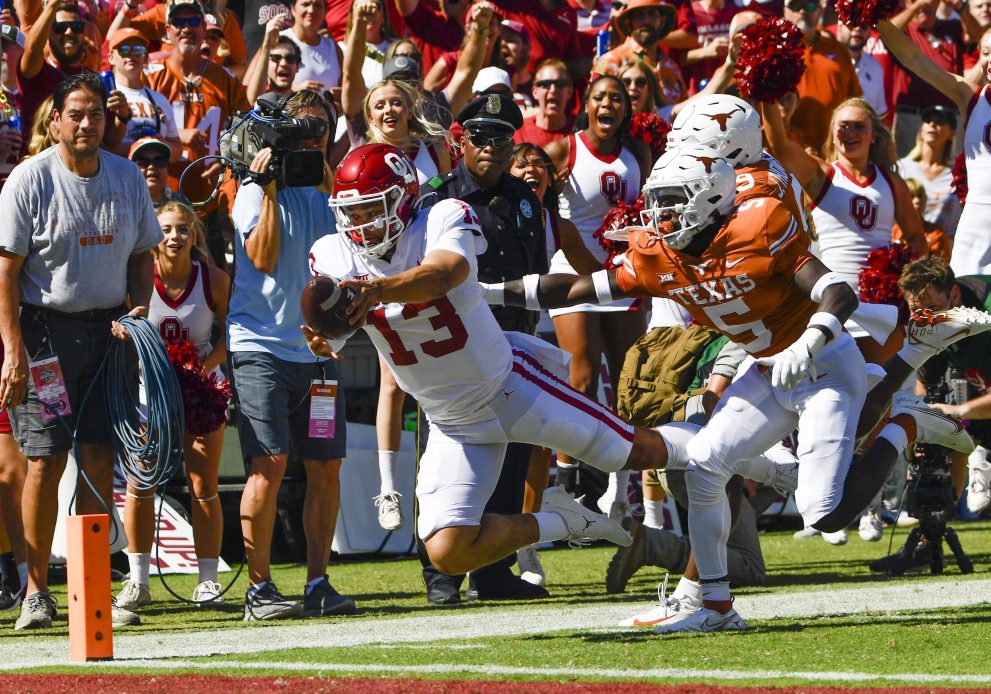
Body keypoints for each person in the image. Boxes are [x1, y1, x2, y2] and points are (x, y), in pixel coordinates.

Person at [488, 144, 991, 632]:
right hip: (768, 366)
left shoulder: (755, 229)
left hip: (824, 362)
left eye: (671, 201)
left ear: (708, 199)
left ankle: (903, 422)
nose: (658, 214)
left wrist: (808, 344)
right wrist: (484, 289)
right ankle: (715, 604)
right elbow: (576, 288)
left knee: (825, 513)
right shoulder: (659, 254)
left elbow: (837, 292)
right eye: (656, 201)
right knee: (706, 462)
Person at [305, 143, 691, 582]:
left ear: (405, 198)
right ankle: (563, 519)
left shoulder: (442, 218)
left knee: (633, 451)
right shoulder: (332, 253)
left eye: (373, 209)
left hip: (509, 387)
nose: (361, 224)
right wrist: (326, 335)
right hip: (451, 422)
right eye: (352, 213)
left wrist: (380, 289)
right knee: (447, 552)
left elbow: (445, 273)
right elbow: (339, 317)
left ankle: (737, 451)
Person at [0, 72, 163, 630]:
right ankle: (37, 591)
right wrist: (12, 350)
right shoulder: (28, 180)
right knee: (45, 460)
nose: (87, 123)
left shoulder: (126, 177)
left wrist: (139, 312)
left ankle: (90, 590)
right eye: (76, 114)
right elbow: (6, 273)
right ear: (55, 122)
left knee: (98, 460)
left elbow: (144, 255)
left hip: (110, 332)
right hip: (45, 334)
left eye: (95, 113)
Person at [417, 94, 555, 603]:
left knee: (513, 457)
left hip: (513, 344)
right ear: (461, 140)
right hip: (455, 352)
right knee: (443, 459)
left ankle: (493, 572)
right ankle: (441, 575)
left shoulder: (526, 201)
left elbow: (536, 275)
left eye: (502, 139)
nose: (491, 148)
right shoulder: (436, 198)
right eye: (480, 137)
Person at [229, 89, 355, 621]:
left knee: (326, 467)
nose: (310, 139)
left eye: (319, 130)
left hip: (318, 350)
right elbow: (261, 257)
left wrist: (326, 177)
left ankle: (318, 582)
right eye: (299, 131)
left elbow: (350, 255)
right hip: (259, 345)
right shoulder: (252, 189)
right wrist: (270, 183)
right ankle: (258, 589)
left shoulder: (332, 187)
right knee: (270, 462)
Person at [544, 74, 651, 521]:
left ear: (626, 109)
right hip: (573, 275)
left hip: (621, 276)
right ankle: (567, 482)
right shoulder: (562, 150)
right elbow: (537, 200)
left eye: (618, 98)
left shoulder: (639, 154)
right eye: (600, 97)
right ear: (586, 104)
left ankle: (621, 490)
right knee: (582, 377)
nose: (609, 104)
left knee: (628, 378)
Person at [116, 201, 231, 611]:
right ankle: (139, 580)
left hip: (201, 386)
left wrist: (203, 367)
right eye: (165, 229)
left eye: (183, 229)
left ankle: (207, 580)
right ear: (153, 235)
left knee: (204, 486)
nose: (174, 237)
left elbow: (230, 334)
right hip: (151, 390)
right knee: (141, 481)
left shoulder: (213, 279)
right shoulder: (139, 278)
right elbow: (123, 324)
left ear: (194, 235)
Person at [762, 98, 927, 292]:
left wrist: (901, 274)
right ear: (833, 133)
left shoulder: (893, 182)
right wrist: (768, 95)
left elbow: (916, 237)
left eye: (859, 126)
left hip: (884, 300)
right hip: (834, 298)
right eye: (843, 126)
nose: (850, 133)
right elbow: (780, 148)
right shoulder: (821, 175)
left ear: (873, 135)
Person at [878, 18, 990, 276]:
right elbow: (913, 58)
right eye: (985, 52)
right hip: (974, 226)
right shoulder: (969, 95)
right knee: (966, 311)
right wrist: (877, 17)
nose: (989, 59)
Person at [143, 0, 249, 267]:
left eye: (193, 22)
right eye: (179, 22)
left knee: (215, 283)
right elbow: (134, 134)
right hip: (160, 203)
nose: (186, 28)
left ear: (204, 28)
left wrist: (227, 164)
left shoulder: (226, 80)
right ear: (167, 30)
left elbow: (246, 134)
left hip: (209, 201)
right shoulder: (152, 77)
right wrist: (177, 135)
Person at [897, 256, 991, 515]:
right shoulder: (925, 320)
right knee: (952, 435)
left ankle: (980, 455)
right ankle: (936, 525)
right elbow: (925, 382)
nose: (925, 318)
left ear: (955, 294)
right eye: (917, 310)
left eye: (932, 307)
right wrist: (922, 430)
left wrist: (958, 411)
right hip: (977, 373)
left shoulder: (987, 309)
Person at [783, 0, 863, 155]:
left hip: (835, 153)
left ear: (820, 10)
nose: (802, 12)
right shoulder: (773, 52)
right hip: (790, 154)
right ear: (785, 11)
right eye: (795, 5)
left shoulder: (839, 50)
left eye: (810, 6)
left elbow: (854, 102)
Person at [594, 0, 687, 110]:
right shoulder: (610, 62)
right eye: (639, 16)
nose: (646, 21)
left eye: (652, 14)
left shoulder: (672, 67)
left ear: (662, 21)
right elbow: (594, 109)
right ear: (629, 23)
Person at [105, 28, 181, 159]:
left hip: (151, 176)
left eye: (139, 49)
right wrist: (144, 147)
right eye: (124, 49)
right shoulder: (105, 96)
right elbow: (101, 146)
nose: (132, 54)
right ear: (111, 57)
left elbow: (177, 148)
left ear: (146, 58)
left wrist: (163, 146)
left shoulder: (160, 99)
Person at [897, 105, 962, 238]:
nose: (932, 124)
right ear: (921, 129)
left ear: (952, 133)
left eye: (940, 122)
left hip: (942, 250)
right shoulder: (901, 168)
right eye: (928, 121)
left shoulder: (958, 176)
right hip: (904, 247)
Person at [281, 0, 343, 93]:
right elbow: (259, 89)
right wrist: (292, 90)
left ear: (324, 12)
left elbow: (345, 87)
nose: (311, 10)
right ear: (293, 9)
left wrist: (340, 96)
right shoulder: (278, 41)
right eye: (305, 4)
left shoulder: (333, 47)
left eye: (318, 5)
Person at [512, 59, 575, 148]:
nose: (553, 90)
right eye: (545, 84)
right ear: (535, 92)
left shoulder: (579, 132)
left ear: (569, 91)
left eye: (560, 84)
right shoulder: (518, 133)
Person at [836, 21, 888, 120]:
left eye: (863, 26)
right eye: (852, 24)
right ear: (839, 28)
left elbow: (879, 114)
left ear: (869, 32)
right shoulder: (827, 62)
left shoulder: (875, 67)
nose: (857, 29)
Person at [244, 19, 298, 106]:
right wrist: (266, 46)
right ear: (266, 64)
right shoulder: (259, 98)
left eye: (290, 58)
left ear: (298, 66)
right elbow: (253, 101)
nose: (283, 63)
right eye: (276, 58)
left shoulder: (301, 105)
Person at [129, 136, 186, 208]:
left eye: (159, 161)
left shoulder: (183, 205)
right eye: (143, 162)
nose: (151, 167)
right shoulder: (120, 205)